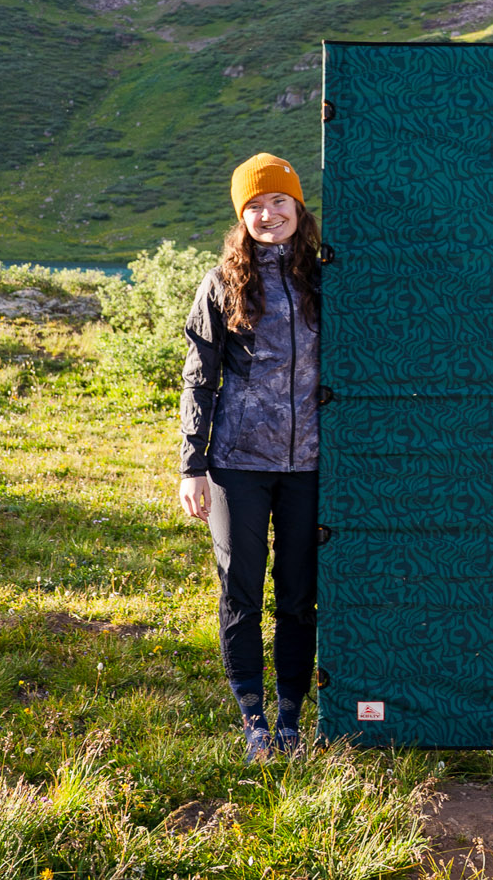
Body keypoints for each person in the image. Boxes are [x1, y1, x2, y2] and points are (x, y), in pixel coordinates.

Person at [178, 152, 323, 760]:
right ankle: (253, 718)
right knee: (241, 589)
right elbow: (198, 377)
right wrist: (192, 464)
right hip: (237, 462)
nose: (268, 214)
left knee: (297, 591)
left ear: (298, 207)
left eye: (279, 202)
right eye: (255, 206)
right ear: (242, 215)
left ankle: (291, 713)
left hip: (311, 465)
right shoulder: (221, 283)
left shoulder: (323, 277)